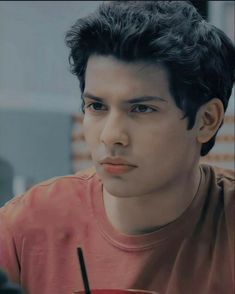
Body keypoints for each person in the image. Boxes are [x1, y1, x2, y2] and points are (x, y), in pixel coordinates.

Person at [0, 1, 234, 293]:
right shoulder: (22, 226)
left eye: (142, 109)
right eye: (96, 106)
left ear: (206, 121)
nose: (111, 137)